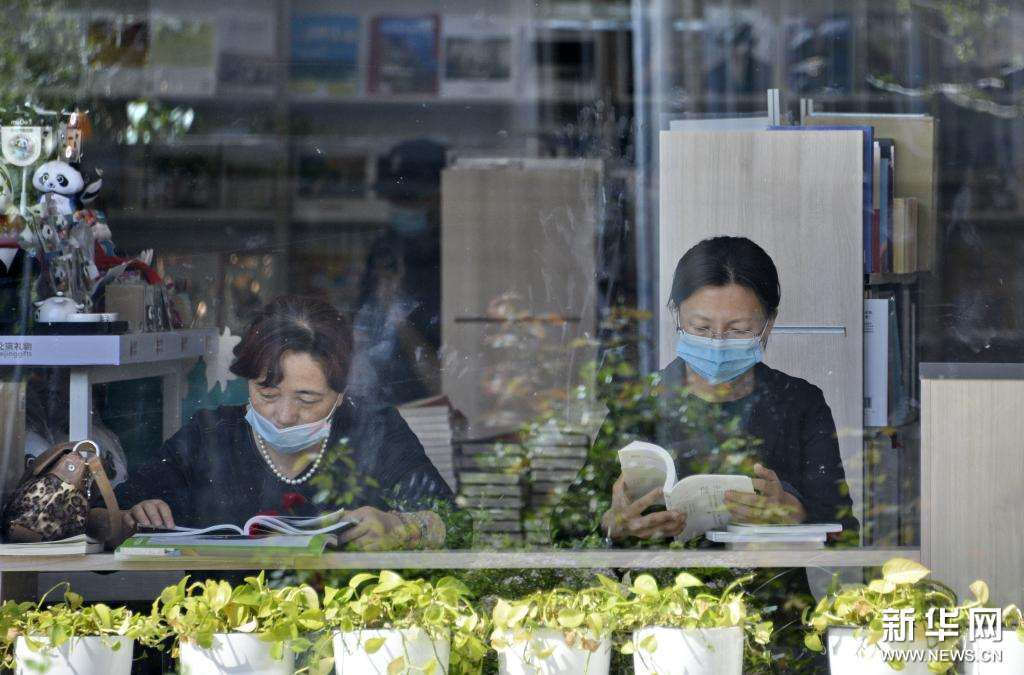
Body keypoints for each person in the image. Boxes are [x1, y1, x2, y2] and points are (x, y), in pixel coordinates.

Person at [552, 235, 858, 544]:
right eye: (701, 327)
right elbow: (565, 530)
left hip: (769, 576)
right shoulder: (638, 403)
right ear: (677, 315)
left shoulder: (800, 403)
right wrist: (612, 526)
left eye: (739, 329)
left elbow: (844, 534)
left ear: (769, 324)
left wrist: (791, 512)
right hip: (663, 577)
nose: (717, 343)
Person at [115, 295, 465, 550]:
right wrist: (129, 518)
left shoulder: (374, 431)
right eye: (266, 393)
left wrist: (401, 526)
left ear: (341, 392)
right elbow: (104, 518)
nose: (283, 415)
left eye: (307, 399)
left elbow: (456, 524)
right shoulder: (209, 436)